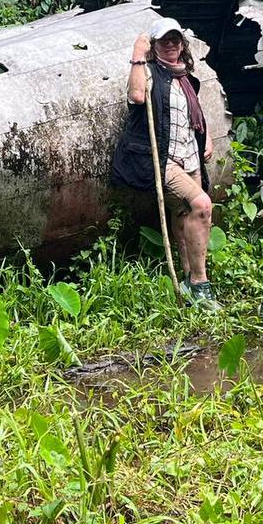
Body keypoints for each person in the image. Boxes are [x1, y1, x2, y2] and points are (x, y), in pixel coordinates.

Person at [111, 18, 219, 309]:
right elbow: (135, 96)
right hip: (164, 159)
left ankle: (187, 275)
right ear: (155, 46)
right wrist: (137, 51)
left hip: (190, 156)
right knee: (202, 205)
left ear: (182, 45)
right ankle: (200, 284)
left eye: (175, 40)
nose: (171, 45)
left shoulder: (186, 78)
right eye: (164, 41)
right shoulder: (149, 73)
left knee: (183, 212)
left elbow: (190, 114)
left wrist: (205, 137)